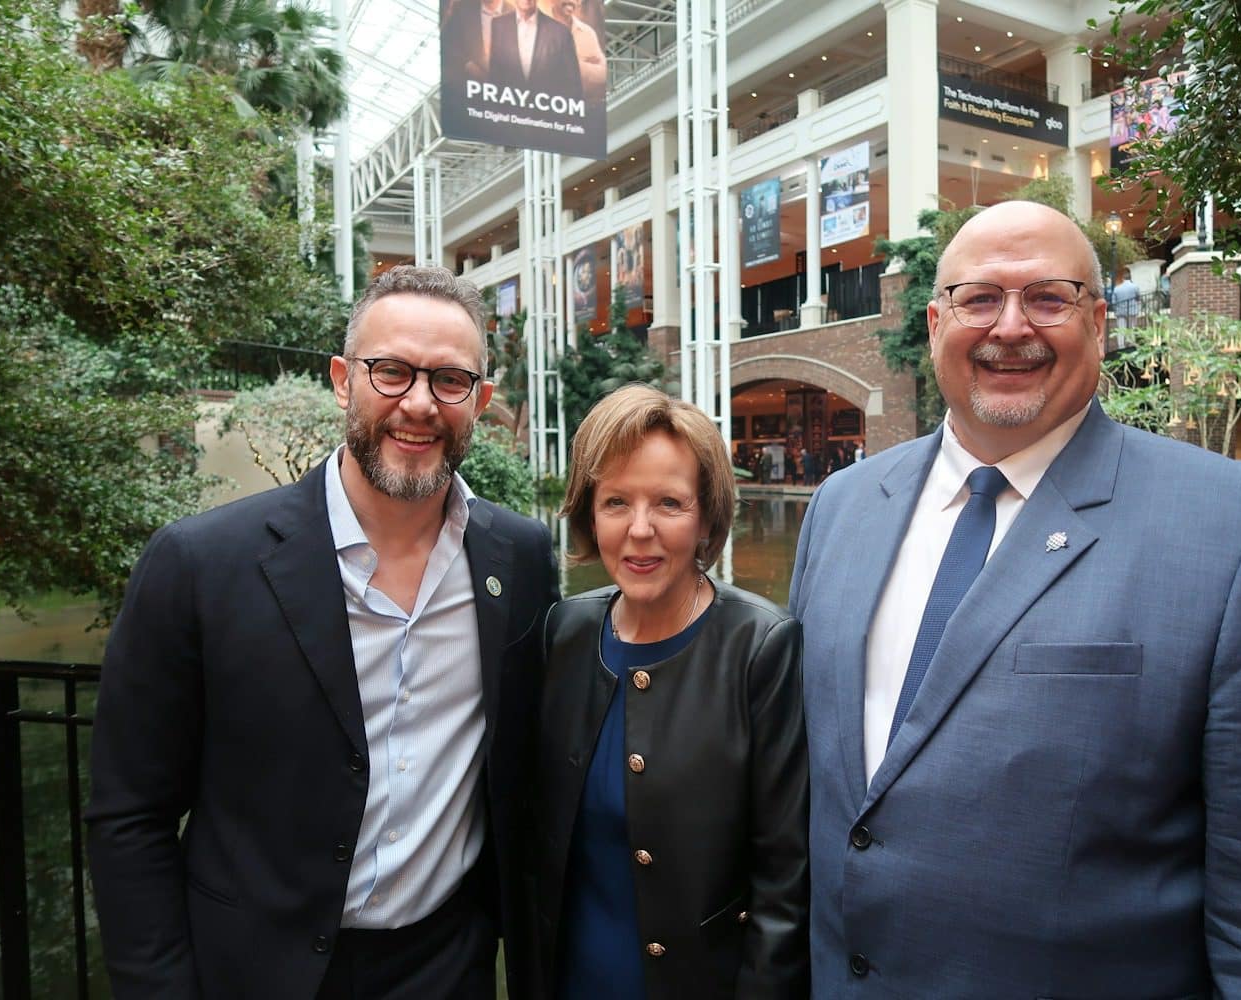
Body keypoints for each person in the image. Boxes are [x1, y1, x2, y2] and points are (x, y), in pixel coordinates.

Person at [789, 201, 1241, 998]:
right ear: (936, 323)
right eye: (979, 299)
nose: (1011, 327)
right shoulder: (840, 509)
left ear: (1099, 323)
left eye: (1049, 298)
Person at [86, 266, 561, 999]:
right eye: (391, 371)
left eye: (450, 380)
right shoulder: (200, 564)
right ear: (343, 380)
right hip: (254, 973)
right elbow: (130, 814)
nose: (419, 403)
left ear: (480, 400)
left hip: (446, 966)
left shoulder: (520, 559)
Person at [532, 384, 809, 1000]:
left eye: (669, 503)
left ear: (706, 516)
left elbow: (783, 880)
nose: (640, 530)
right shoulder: (565, 631)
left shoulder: (759, 647)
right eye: (615, 502)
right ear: (589, 513)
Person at [489, 0, 583, 102]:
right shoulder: (498, 25)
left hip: (548, 109)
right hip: (508, 109)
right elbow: (495, 75)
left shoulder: (561, 32)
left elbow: (573, 85)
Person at [555, 0, 605, 102]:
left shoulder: (587, 32)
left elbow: (602, 74)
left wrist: (575, 64)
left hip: (579, 103)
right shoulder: (539, 26)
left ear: (579, 3)